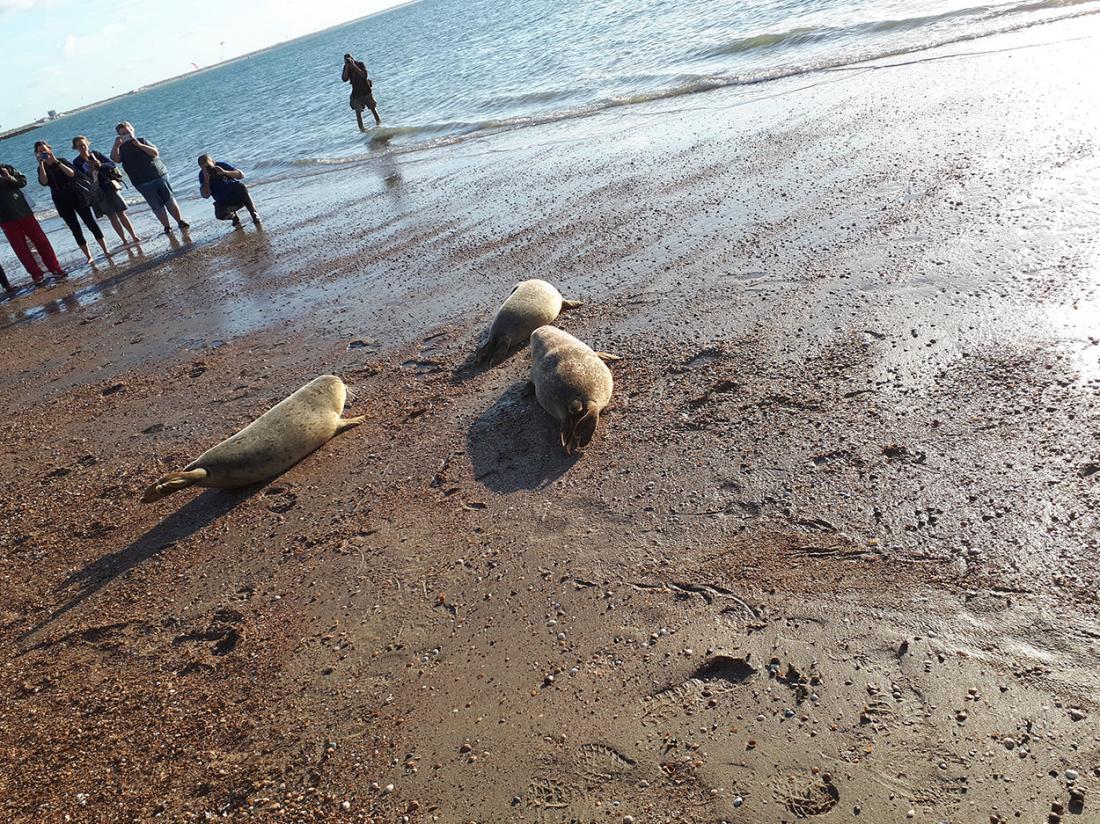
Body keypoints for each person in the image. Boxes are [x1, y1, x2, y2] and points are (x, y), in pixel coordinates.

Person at [34, 140, 110, 266]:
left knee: (90, 223)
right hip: (60, 200)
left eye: (44, 149)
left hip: (76, 195)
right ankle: (89, 256)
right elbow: (43, 182)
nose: (43, 152)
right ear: (36, 154)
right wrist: (41, 164)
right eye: (40, 151)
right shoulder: (41, 167)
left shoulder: (61, 160)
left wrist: (56, 162)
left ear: (49, 149)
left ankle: (105, 250)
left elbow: (71, 173)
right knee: (75, 229)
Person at [110, 121, 189, 234]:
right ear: (119, 135)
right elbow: (115, 159)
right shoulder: (120, 148)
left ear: (133, 130)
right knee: (156, 205)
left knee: (169, 200)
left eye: (128, 131)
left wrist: (140, 145)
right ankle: (167, 227)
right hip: (141, 181)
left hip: (158, 175)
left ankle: (180, 221)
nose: (127, 134)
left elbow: (155, 153)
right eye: (123, 133)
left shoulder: (142, 140)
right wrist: (116, 144)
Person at [0, 162, 65, 285]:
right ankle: (36, 275)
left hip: (24, 212)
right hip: (5, 219)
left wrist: (9, 177)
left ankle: (55, 268)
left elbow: (22, 182)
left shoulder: (6, 167)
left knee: (41, 241)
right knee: (21, 249)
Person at [72, 135, 140, 246]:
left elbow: (112, 164)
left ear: (87, 143)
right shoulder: (77, 162)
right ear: (75, 148)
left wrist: (100, 164)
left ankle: (134, 235)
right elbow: (80, 178)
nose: (83, 147)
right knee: (111, 216)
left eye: (84, 144)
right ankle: (124, 240)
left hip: (109, 186)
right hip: (97, 191)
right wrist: (89, 171)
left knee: (121, 213)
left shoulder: (96, 154)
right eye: (79, 146)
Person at [197, 154, 261, 228]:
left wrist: (225, 172)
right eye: (205, 168)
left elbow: (241, 175)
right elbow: (205, 196)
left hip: (238, 197)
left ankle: (254, 214)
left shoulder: (221, 166)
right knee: (220, 214)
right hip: (224, 202)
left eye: (209, 166)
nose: (209, 169)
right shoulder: (202, 175)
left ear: (213, 162)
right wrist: (206, 180)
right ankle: (234, 217)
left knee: (240, 186)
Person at [342, 54, 381, 130]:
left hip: (366, 91)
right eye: (346, 60)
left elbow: (364, 75)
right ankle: (362, 130)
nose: (348, 61)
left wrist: (354, 66)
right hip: (356, 94)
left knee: (373, 108)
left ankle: (379, 126)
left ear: (352, 58)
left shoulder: (360, 64)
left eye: (349, 59)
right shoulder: (346, 68)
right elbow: (344, 79)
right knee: (358, 113)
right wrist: (347, 67)